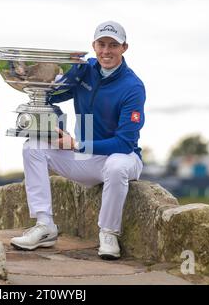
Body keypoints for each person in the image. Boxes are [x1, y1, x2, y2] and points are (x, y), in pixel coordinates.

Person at [10, 20, 145, 260]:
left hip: (123, 158)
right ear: (93, 45)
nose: (106, 51)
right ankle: (45, 226)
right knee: (33, 147)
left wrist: (76, 144)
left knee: (116, 165)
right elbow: (53, 94)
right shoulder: (86, 69)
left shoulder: (133, 86)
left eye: (113, 45)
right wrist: (34, 91)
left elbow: (124, 143)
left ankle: (108, 232)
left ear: (124, 48)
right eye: (101, 44)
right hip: (86, 158)